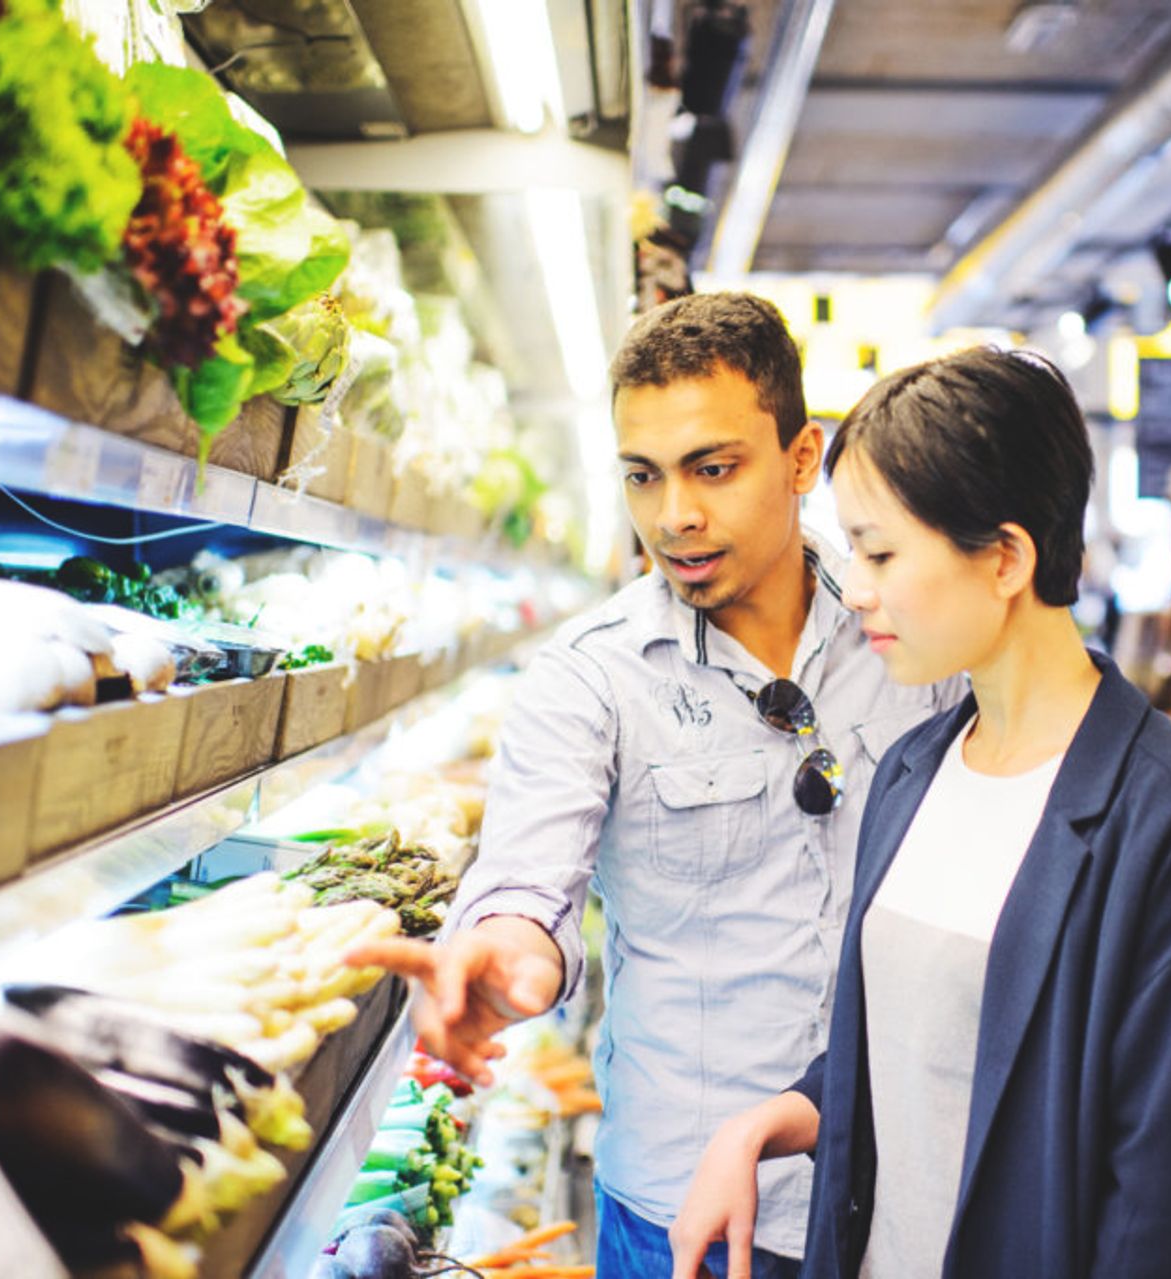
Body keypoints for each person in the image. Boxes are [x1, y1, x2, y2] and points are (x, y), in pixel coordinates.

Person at [348, 292, 961, 1279]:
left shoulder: (917, 635)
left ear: (802, 458)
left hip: (909, 1190)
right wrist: (507, 958)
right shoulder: (589, 676)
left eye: (713, 469)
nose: (674, 514)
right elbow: (526, 877)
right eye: (644, 476)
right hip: (689, 1223)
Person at [669, 347, 1171, 1279]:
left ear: (1005, 557)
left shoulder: (1168, 831)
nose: (854, 586)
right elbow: (925, 1047)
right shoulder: (915, 770)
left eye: (879, 551)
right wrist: (770, 1119)